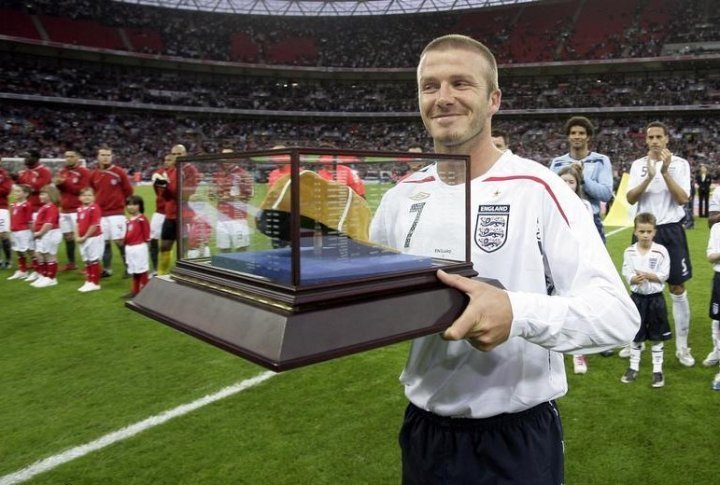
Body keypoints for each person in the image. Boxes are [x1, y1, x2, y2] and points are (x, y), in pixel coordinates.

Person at [369, 34, 639, 484]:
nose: (444, 98)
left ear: (494, 99)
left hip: (514, 438)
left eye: (461, 83)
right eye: (430, 86)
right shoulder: (401, 196)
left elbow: (617, 316)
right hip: (424, 433)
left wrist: (517, 312)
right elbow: (370, 295)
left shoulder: (539, 189)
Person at [626, 121, 695, 367]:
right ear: (646, 140)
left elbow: (683, 199)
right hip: (644, 229)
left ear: (667, 139)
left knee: (677, 287)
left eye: (659, 137)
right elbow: (630, 198)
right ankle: (634, 340)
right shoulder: (637, 165)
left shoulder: (680, 164)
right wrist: (649, 177)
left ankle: (682, 347)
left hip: (671, 230)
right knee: (639, 287)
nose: (654, 141)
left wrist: (665, 172)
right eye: (650, 137)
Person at [620, 212, 671, 388]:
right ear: (635, 231)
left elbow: (665, 274)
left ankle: (658, 370)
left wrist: (650, 276)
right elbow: (626, 271)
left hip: (656, 299)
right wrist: (633, 279)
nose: (645, 235)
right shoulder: (629, 251)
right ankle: (633, 367)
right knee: (636, 334)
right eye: (642, 231)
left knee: (657, 335)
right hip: (637, 299)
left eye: (649, 231)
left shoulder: (661, 251)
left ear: (654, 232)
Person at [549, 116, 613, 243]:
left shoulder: (601, 160)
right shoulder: (557, 163)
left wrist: (583, 179)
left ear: (588, 137)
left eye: (581, 133)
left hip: (591, 220)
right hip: (564, 220)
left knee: (596, 262)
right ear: (568, 137)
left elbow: (606, 194)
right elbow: (549, 195)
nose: (577, 136)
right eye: (573, 133)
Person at [558, 165, 593, 374]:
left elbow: (586, 236)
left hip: (576, 261)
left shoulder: (584, 205)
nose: (567, 185)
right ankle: (556, 350)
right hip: (553, 262)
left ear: (577, 185)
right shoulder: (546, 203)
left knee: (577, 305)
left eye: (571, 182)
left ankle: (578, 354)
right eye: (563, 181)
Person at [89, 145, 134, 278]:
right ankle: (107, 269)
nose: (105, 157)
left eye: (108, 155)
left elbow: (129, 191)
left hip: (116, 214)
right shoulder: (94, 174)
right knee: (105, 242)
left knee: (120, 242)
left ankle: (129, 268)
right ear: (98, 157)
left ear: (111, 156)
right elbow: (92, 191)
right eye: (103, 155)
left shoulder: (119, 172)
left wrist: (120, 204)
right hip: (101, 214)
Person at [157, 144, 200, 275]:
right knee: (165, 246)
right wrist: (160, 186)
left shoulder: (190, 170)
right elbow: (162, 194)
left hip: (184, 215)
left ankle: (184, 274)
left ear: (185, 155)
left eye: (179, 154)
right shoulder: (170, 170)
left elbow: (186, 194)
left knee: (183, 249)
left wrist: (167, 189)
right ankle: (162, 274)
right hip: (170, 214)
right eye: (174, 154)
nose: (176, 157)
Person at [53, 149, 91, 271]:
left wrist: (65, 183)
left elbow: (81, 191)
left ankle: (89, 264)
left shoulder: (84, 172)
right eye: (67, 156)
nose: (68, 158)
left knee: (81, 236)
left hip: (77, 209)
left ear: (77, 158)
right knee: (68, 237)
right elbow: (61, 190)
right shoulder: (62, 171)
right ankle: (71, 263)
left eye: (71, 156)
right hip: (64, 210)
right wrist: (58, 184)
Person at [212, 148, 254, 253]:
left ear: (235, 158)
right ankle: (224, 269)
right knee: (224, 248)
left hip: (237, 217)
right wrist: (212, 194)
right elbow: (213, 193)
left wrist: (233, 198)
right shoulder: (218, 174)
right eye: (223, 157)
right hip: (221, 217)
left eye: (228, 157)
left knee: (241, 248)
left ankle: (241, 269)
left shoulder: (243, 174)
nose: (225, 160)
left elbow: (249, 195)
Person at [30, 184, 62, 288]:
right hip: (42, 234)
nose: (40, 196)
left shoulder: (52, 207)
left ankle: (51, 278)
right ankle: (44, 276)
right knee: (41, 255)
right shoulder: (44, 207)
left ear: (51, 195)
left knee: (49, 255)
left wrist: (40, 233)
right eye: (40, 194)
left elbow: (49, 223)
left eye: (43, 194)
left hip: (50, 233)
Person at [75, 187, 103, 292]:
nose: (87, 197)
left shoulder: (94, 208)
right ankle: (89, 280)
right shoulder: (79, 209)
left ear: (94, 197)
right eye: (84, 195)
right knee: (86, 260)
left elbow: (94, 225)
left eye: (89, 195)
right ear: (80, 198)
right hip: (82, 239)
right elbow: (77, 223)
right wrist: (77, 236)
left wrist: (85, 237)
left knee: (93, 259)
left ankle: (95, 283)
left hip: (93, 238)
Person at [124, 195, 151, 298]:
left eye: (134, 204)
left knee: (142, 270)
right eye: (129, 204)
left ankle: (144, 292)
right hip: (130, 248)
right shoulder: (129, 220)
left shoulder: (142, 219)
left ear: (140, 206)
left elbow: (147, 235)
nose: (131, 207)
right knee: (134, 270)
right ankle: (135, 291)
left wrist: (145, 248)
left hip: (139, 248)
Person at [6, 185, 35, 281]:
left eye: (18, 191)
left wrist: (33, 233)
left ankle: (37, 271)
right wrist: (10, 230)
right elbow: (12, 218)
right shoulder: (13, 205)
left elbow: (30, 221)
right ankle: (23, 271)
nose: (15, 193)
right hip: (15, 231)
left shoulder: (27, 205)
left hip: (24, 231)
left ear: (26, 194)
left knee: (29, 251)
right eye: (15, 191)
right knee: (18, 251)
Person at [706, 216, 720, 386]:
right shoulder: (717, 228)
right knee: (717, 319)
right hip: (719, 278)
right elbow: (710, 256)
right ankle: (717, 352)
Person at [0, 164, 13, 268]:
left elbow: (6, 191)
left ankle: (8, 260)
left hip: (1, 208)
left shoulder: (4, 175)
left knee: (3, 234)